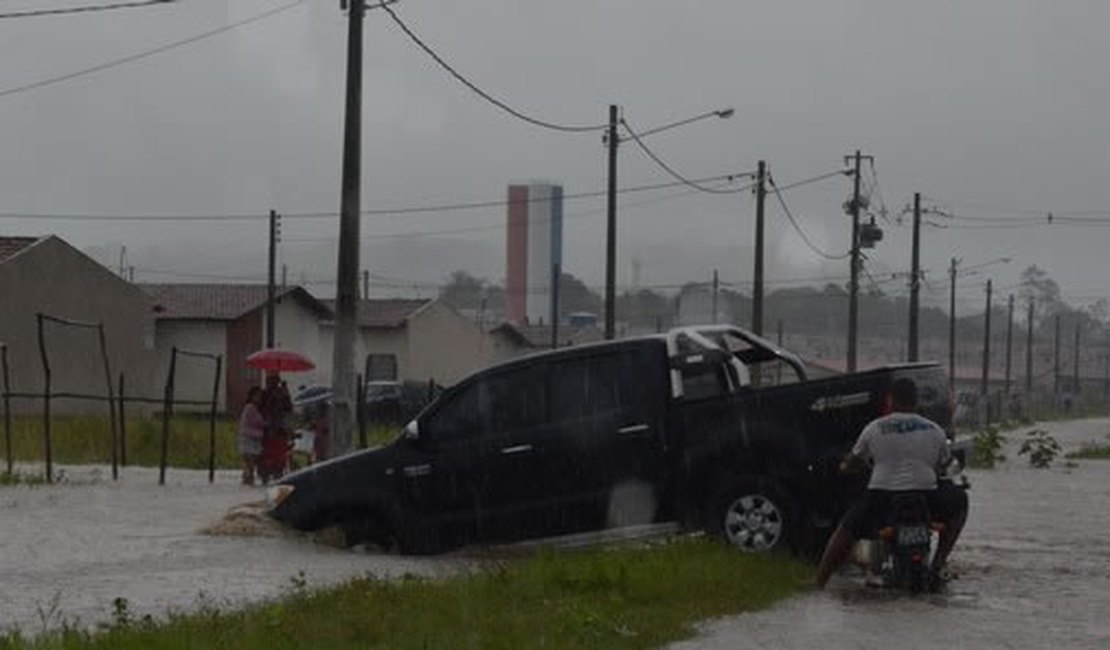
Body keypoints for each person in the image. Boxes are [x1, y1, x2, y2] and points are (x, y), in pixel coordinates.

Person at [815, 377, 969, 589]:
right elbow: (944, 464)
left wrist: (846, 467)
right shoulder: (934, 430)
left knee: (846, 531)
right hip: (927, 496)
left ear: (890, 400)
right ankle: (938, 564)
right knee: (961, 501)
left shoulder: (875, 428)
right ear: (916, 402)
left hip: (882, 497)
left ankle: (819, 582)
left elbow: (853, 461)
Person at [257, 372, 294, 484]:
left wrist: (286, 394)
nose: (272, 383)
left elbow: (288, 408)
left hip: (279, 429)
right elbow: (260, 408)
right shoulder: (264, 394)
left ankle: (278, 473)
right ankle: (265, 474)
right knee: (267, 454)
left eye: (274, 381)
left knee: (279, 455)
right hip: (267, 429)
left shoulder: (282, 393)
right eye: (269, 381)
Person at [237, 386, 265, 485]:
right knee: (249, 462)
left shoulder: (255, 408)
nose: (259, 397)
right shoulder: (250, 408)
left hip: (253, 439)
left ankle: (248, 479)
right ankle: (248, 479)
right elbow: (256, 422)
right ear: (252, 396)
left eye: (260, 395)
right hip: (249, 438)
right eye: (256, 395)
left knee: (250, 463)